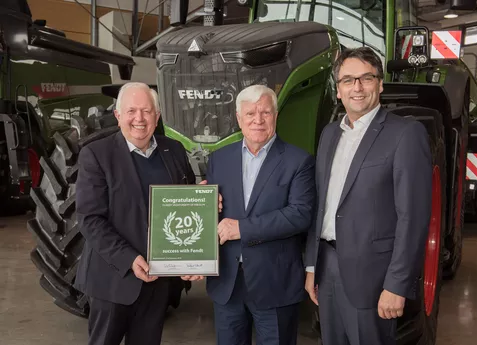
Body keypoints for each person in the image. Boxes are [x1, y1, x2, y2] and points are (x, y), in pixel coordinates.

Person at [304, 47, 432, 345]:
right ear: (338, 90)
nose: (357, 87)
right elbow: (320, 205)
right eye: (348, 80)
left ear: (380, 84)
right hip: (328, 268)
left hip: (374, 279)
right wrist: (312, 266)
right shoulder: (329, 134)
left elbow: (412, 217)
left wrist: (397, 285)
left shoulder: (404, 134)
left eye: (366, 78)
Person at [74, 82, 196, 345]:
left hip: (158, 281)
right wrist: (129, 259)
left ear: (157, 116)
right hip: (112, 279)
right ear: (118, 116)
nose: (139, 119)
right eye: (131, 111)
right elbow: (90, 218)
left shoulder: (173, 150)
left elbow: (186, 202)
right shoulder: (96, 155)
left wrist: (191, 260)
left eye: (146, 111)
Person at [202, 84, 316, 345]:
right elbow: (212, 211)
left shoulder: (299, 161)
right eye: (250, 113)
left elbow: (300, 214)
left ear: (275, 116)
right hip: (227, 283)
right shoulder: (219, 159)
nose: (258, 120)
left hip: (274, 283)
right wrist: (203, 202)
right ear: (239, 118)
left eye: (265, 112)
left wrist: (241, 228)